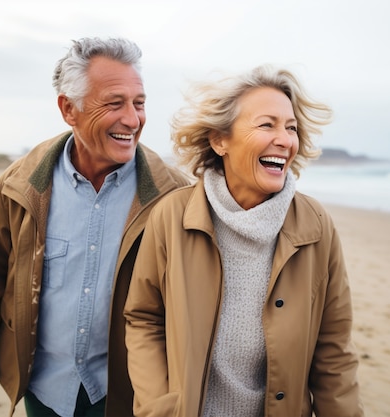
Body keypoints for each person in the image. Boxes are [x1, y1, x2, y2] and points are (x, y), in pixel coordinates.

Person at [0, 37, 190, 417]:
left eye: (139, 103)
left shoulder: (175, 196)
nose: (132, 119)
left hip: (129, 393)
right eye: (114, 103)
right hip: (43, 386)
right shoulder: (19, 185)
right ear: (69, 109)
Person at [124, 65, 364, 417]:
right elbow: (144, 318)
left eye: (291, 128)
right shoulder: (171, 217)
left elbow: (334, 352)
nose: (285, 140)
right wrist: (160, 407)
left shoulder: (316, 226)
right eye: (267, 124)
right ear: (220, 140)